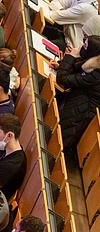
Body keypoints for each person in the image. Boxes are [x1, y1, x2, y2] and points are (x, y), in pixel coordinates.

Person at [53, 35, 100, 165]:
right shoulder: (94, 63)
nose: (80, 48)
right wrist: (61, 65)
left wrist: (70, 57)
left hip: (80, 112)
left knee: (56, 140)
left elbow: (63, 80)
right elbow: (78, 69)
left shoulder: (96, 74)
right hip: (77, 101)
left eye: (84, 46)